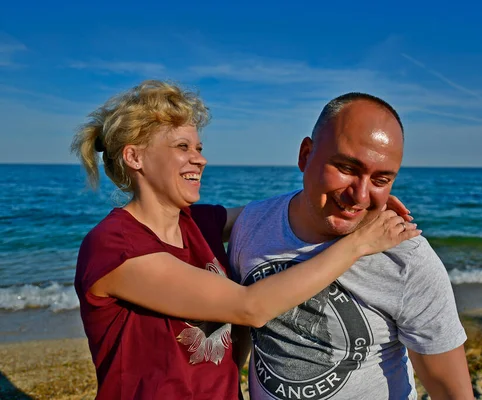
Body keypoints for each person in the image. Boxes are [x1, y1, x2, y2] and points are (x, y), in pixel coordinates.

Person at [70, 81, 420, 400]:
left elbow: (287, 212)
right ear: (135, 157)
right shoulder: (114, 246)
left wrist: (355, 198)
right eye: (182, 146)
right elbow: (250, 307)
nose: (200, 158)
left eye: (199, 146)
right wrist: (360, 243)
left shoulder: (199, 223)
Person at [228, 93, 474, 399]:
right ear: (305, 155)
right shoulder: (252, 226)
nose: (360, 196)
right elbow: (240, 335)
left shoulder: (407, 258)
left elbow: (450, 389)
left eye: (380, 180)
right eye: (347, 168)